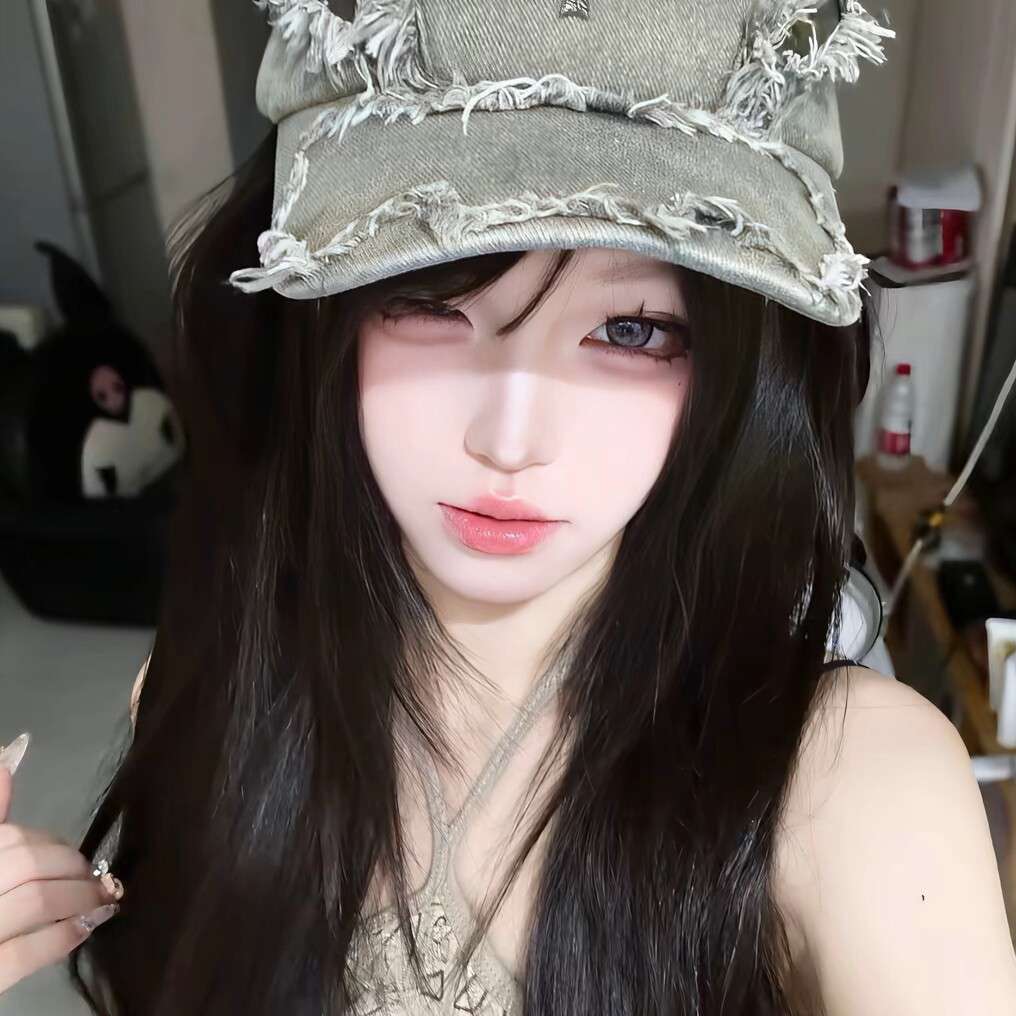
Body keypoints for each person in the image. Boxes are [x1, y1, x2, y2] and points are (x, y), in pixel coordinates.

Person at [2, 1, 1015, 1013]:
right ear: (320, 319)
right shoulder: (211, 696)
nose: (509, 439)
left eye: (632, 329)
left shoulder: (854, 792)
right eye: (429, 298)